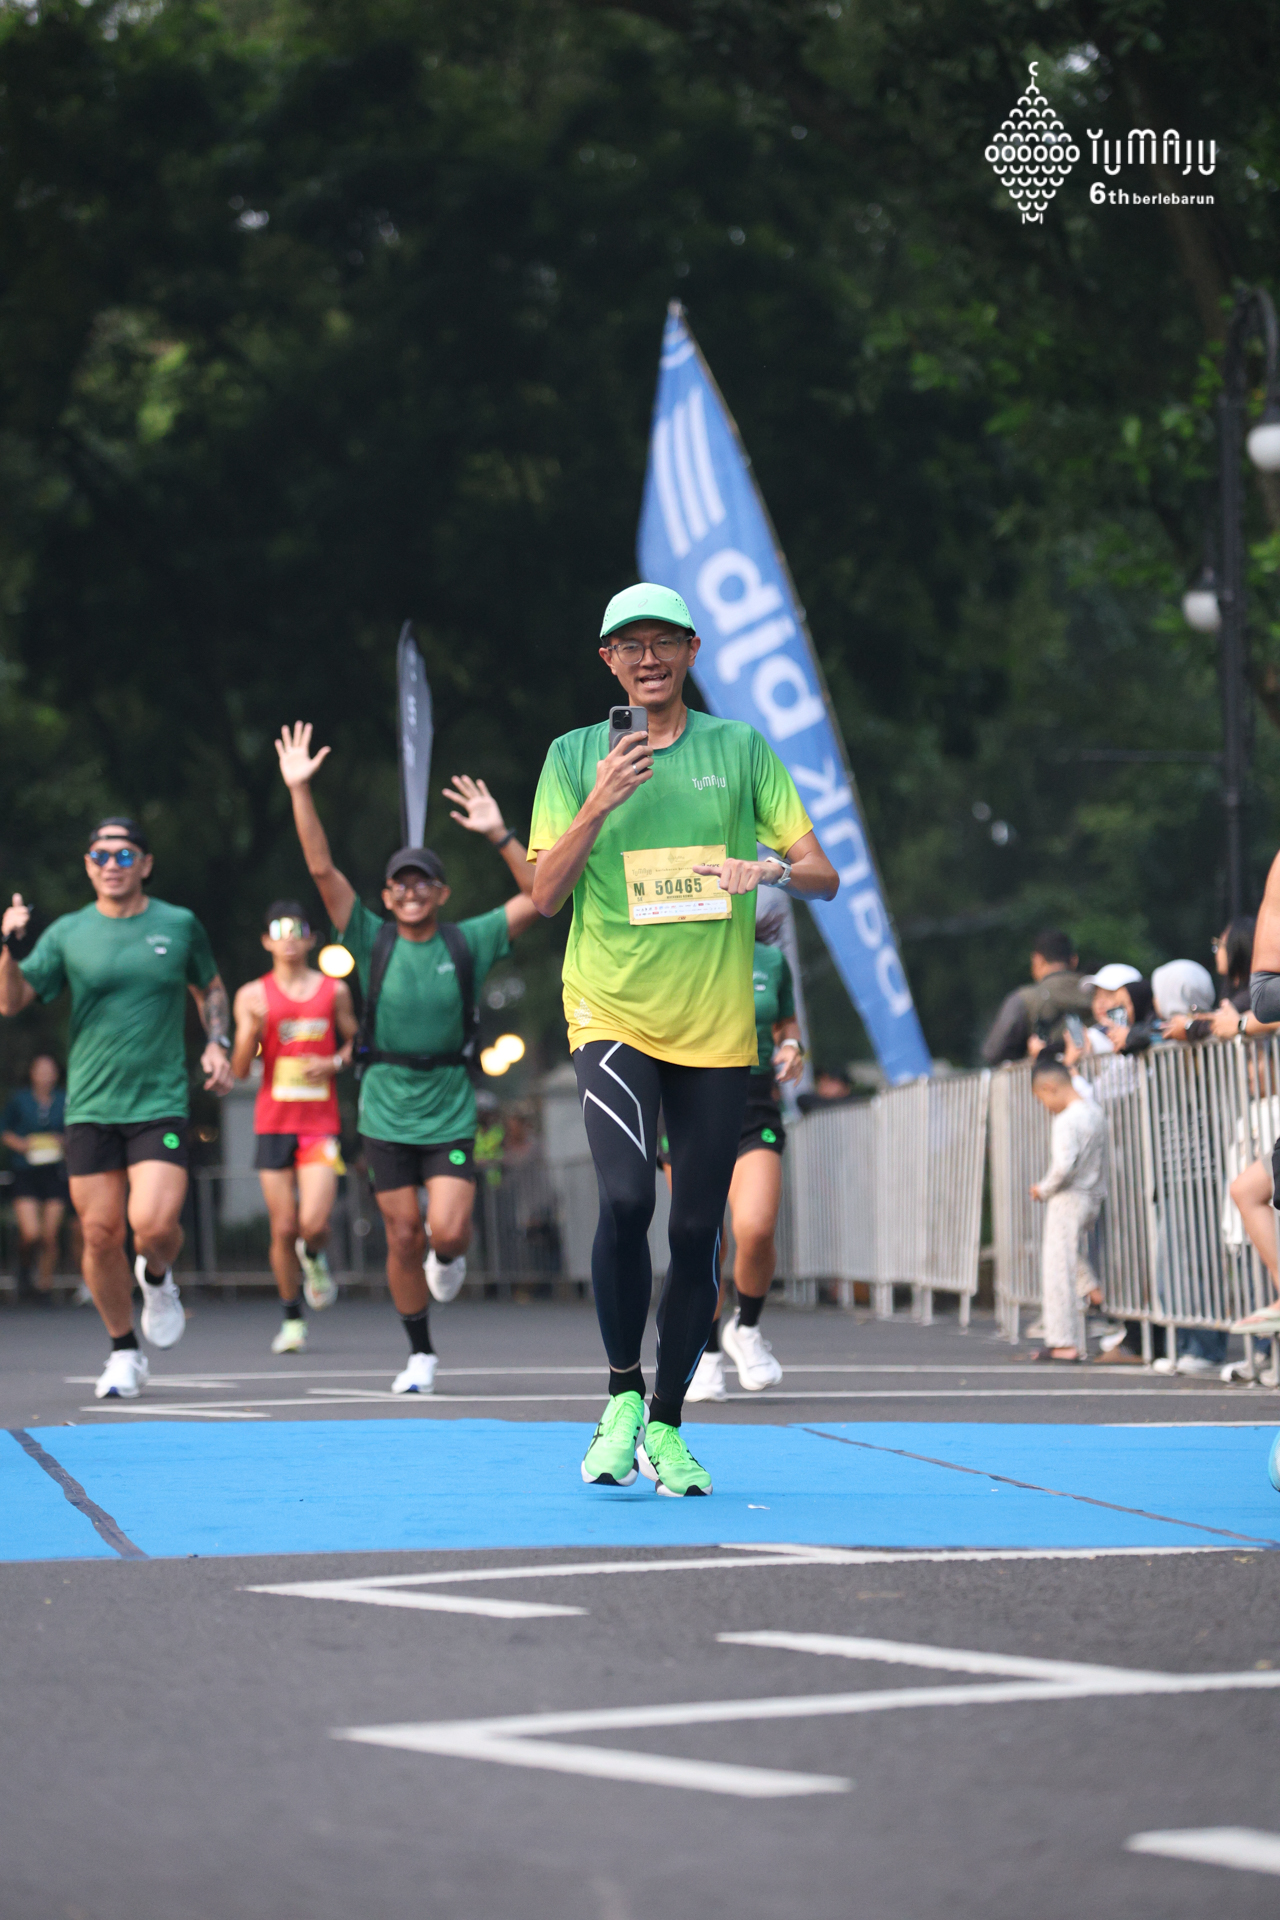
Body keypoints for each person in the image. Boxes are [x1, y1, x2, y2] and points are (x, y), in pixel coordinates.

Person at [528, 582, 838, 1497]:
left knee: (698, 1230)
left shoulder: (738, 748)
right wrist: (599, 800)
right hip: (611, 1013)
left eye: (664, 641)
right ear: (608, 662)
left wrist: (767, 868)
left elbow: (820, 874)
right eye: (631, 646)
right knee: (627, 1201)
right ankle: (621, 1395)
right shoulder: (572, 755)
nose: (648, 658)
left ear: (692, 651)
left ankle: (665, 1423)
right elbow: (544, 895)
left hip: (714, 1029)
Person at [276, 728, 540, 1391]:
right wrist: (300, 788)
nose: (412, 891)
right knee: (402, 1236)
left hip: (448, 1103)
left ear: (441, 894)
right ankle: (420, 1352)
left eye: (424, 882)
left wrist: (500, 834)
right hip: (386, 1106)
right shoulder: (370, 938)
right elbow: (321, 871)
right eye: (401, 883)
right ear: (388, 896)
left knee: (446, 1233)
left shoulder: (470, 940)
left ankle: (448, 1260)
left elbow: (541, 896)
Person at [0, 818, 234, 1398]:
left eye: (124, 855)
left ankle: (157, 1276)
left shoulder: (178, 924)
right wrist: (9, 947)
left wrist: (217, 1041)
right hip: (91, 1107)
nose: (111, 864)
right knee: (100, 1234)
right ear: (88, 865)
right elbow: (12, 1001)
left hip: (158, 1101)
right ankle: (124, 1350)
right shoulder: (70, 932)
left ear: (145, 864)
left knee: (152, 1226)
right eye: (100, 855)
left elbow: (210, 988)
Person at [231, 902, 357, 1353]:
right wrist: (251, 1030)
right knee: (284, 1227)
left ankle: (315, 1256)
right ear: (266, 940)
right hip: (273, 1124)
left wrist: (333, 1061)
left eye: (297, 930)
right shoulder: (252, 995)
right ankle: (292, 1321)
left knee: (313, 1223)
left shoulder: (333, 990)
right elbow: (239, 1069)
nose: (288, 938)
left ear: (310, 939)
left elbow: (356, 1041)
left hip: (319, 1125)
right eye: (279, 930)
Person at [688, 914, 804, 1402]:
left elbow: (786, 1023)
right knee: (703, 1240)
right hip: (688, 1102)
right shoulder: (670, 949)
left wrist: (793, 1046)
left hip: (753, 1101)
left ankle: (747, 1328)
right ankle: (706, 1353)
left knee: (755, 1228)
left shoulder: (771, 961)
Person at [1027, 1055, 1107, 1362]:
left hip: (1068, 1197)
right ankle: (1091, 1289)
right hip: (1091, 1195)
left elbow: (1063, 1166)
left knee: (1057, 1266)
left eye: (1042, 1098)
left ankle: (1062, 1340)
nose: (1045, 1106)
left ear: (1050, 1087)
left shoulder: (1066, 1120)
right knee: (1070, 1255)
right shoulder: (1095, 1112)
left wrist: (1043, 1188)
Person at [1, 1053, 68, 1299]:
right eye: (40, 1070)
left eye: (49, 1070)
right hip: (26, 1170)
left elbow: (76, 1131)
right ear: (32, 1073)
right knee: (31, 1232)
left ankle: (44, 1286)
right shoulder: (19, 1099)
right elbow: (4, 1129)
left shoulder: (64, 1099)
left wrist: (62, 1140)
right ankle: (25, 1269)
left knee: (49, 1234)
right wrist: (21, 1144)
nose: (45, 1075)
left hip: (54, 1170)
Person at [981, 930, 1092, 1065]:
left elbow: (993, 1052)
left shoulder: (1025, 998)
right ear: (1074, 960)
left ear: (1037, 960)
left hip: (1048, 1074)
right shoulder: (1099, 991)